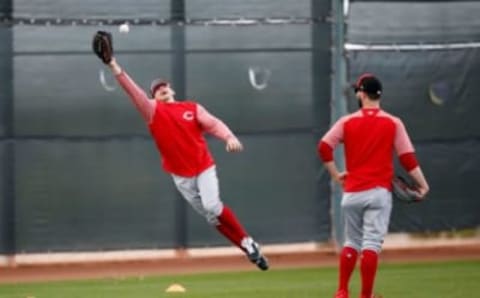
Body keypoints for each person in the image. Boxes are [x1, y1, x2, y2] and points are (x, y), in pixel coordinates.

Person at [93, 40, 268, 271]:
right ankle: (249, 248)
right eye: (157, 88)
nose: (162, 88)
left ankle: (246, 241)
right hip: (181, 177)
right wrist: (113, 65)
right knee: (213, 218)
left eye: (164, 85)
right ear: (153, 97)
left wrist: (229, 137)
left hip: (203, 167)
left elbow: (213, 124)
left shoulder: (192, 108)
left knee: (213, 206)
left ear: (172, 89)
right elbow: (133, 91)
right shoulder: (153, 111)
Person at [317, 73, 429, 298]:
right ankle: (366, 296)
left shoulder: (347, 121)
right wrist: (423, 185)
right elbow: (407, 159)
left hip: (352, 193)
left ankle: (341, 292)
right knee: (371, 244)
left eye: (357, 90)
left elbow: (324, 147)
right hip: (378, 192)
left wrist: (336, 175)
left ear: (361, 93)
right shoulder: (393, 122)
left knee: (352, 241)